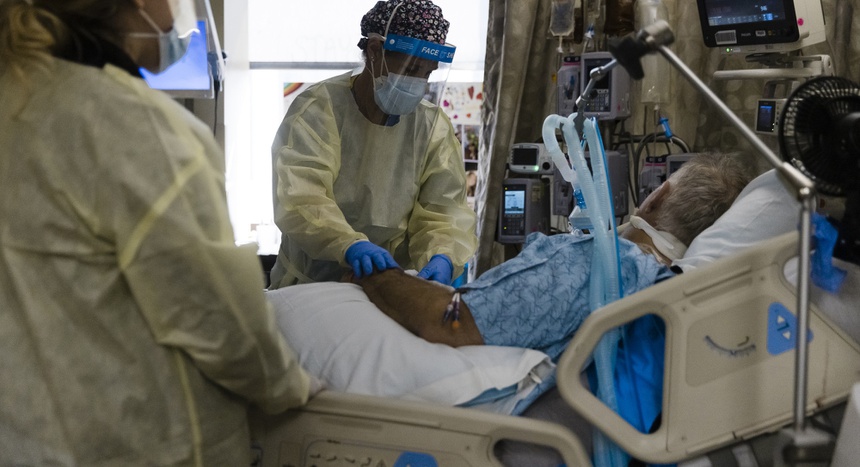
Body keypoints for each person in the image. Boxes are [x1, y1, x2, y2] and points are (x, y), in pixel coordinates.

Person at [0, 1, 315, 465]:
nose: (178, 14)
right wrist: (291, 387)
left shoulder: (18, 95)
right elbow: (219, 318)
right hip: (139, 445)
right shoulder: (131, 123)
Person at [350, 152, 753, 434]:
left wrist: (375, 275)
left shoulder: (596, 263)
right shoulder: (669, 288)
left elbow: (449, 322)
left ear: (657, 195)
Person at [269, 0, 478, 288]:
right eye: (412, 68)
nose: (418, 82)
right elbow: (301, 197)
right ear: (375, 50)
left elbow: (444, 211)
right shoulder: (319, 109)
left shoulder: (431, 128)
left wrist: (442, 255)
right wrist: (348, 245)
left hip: (391, 288)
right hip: (311, 287)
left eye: (427, 73)